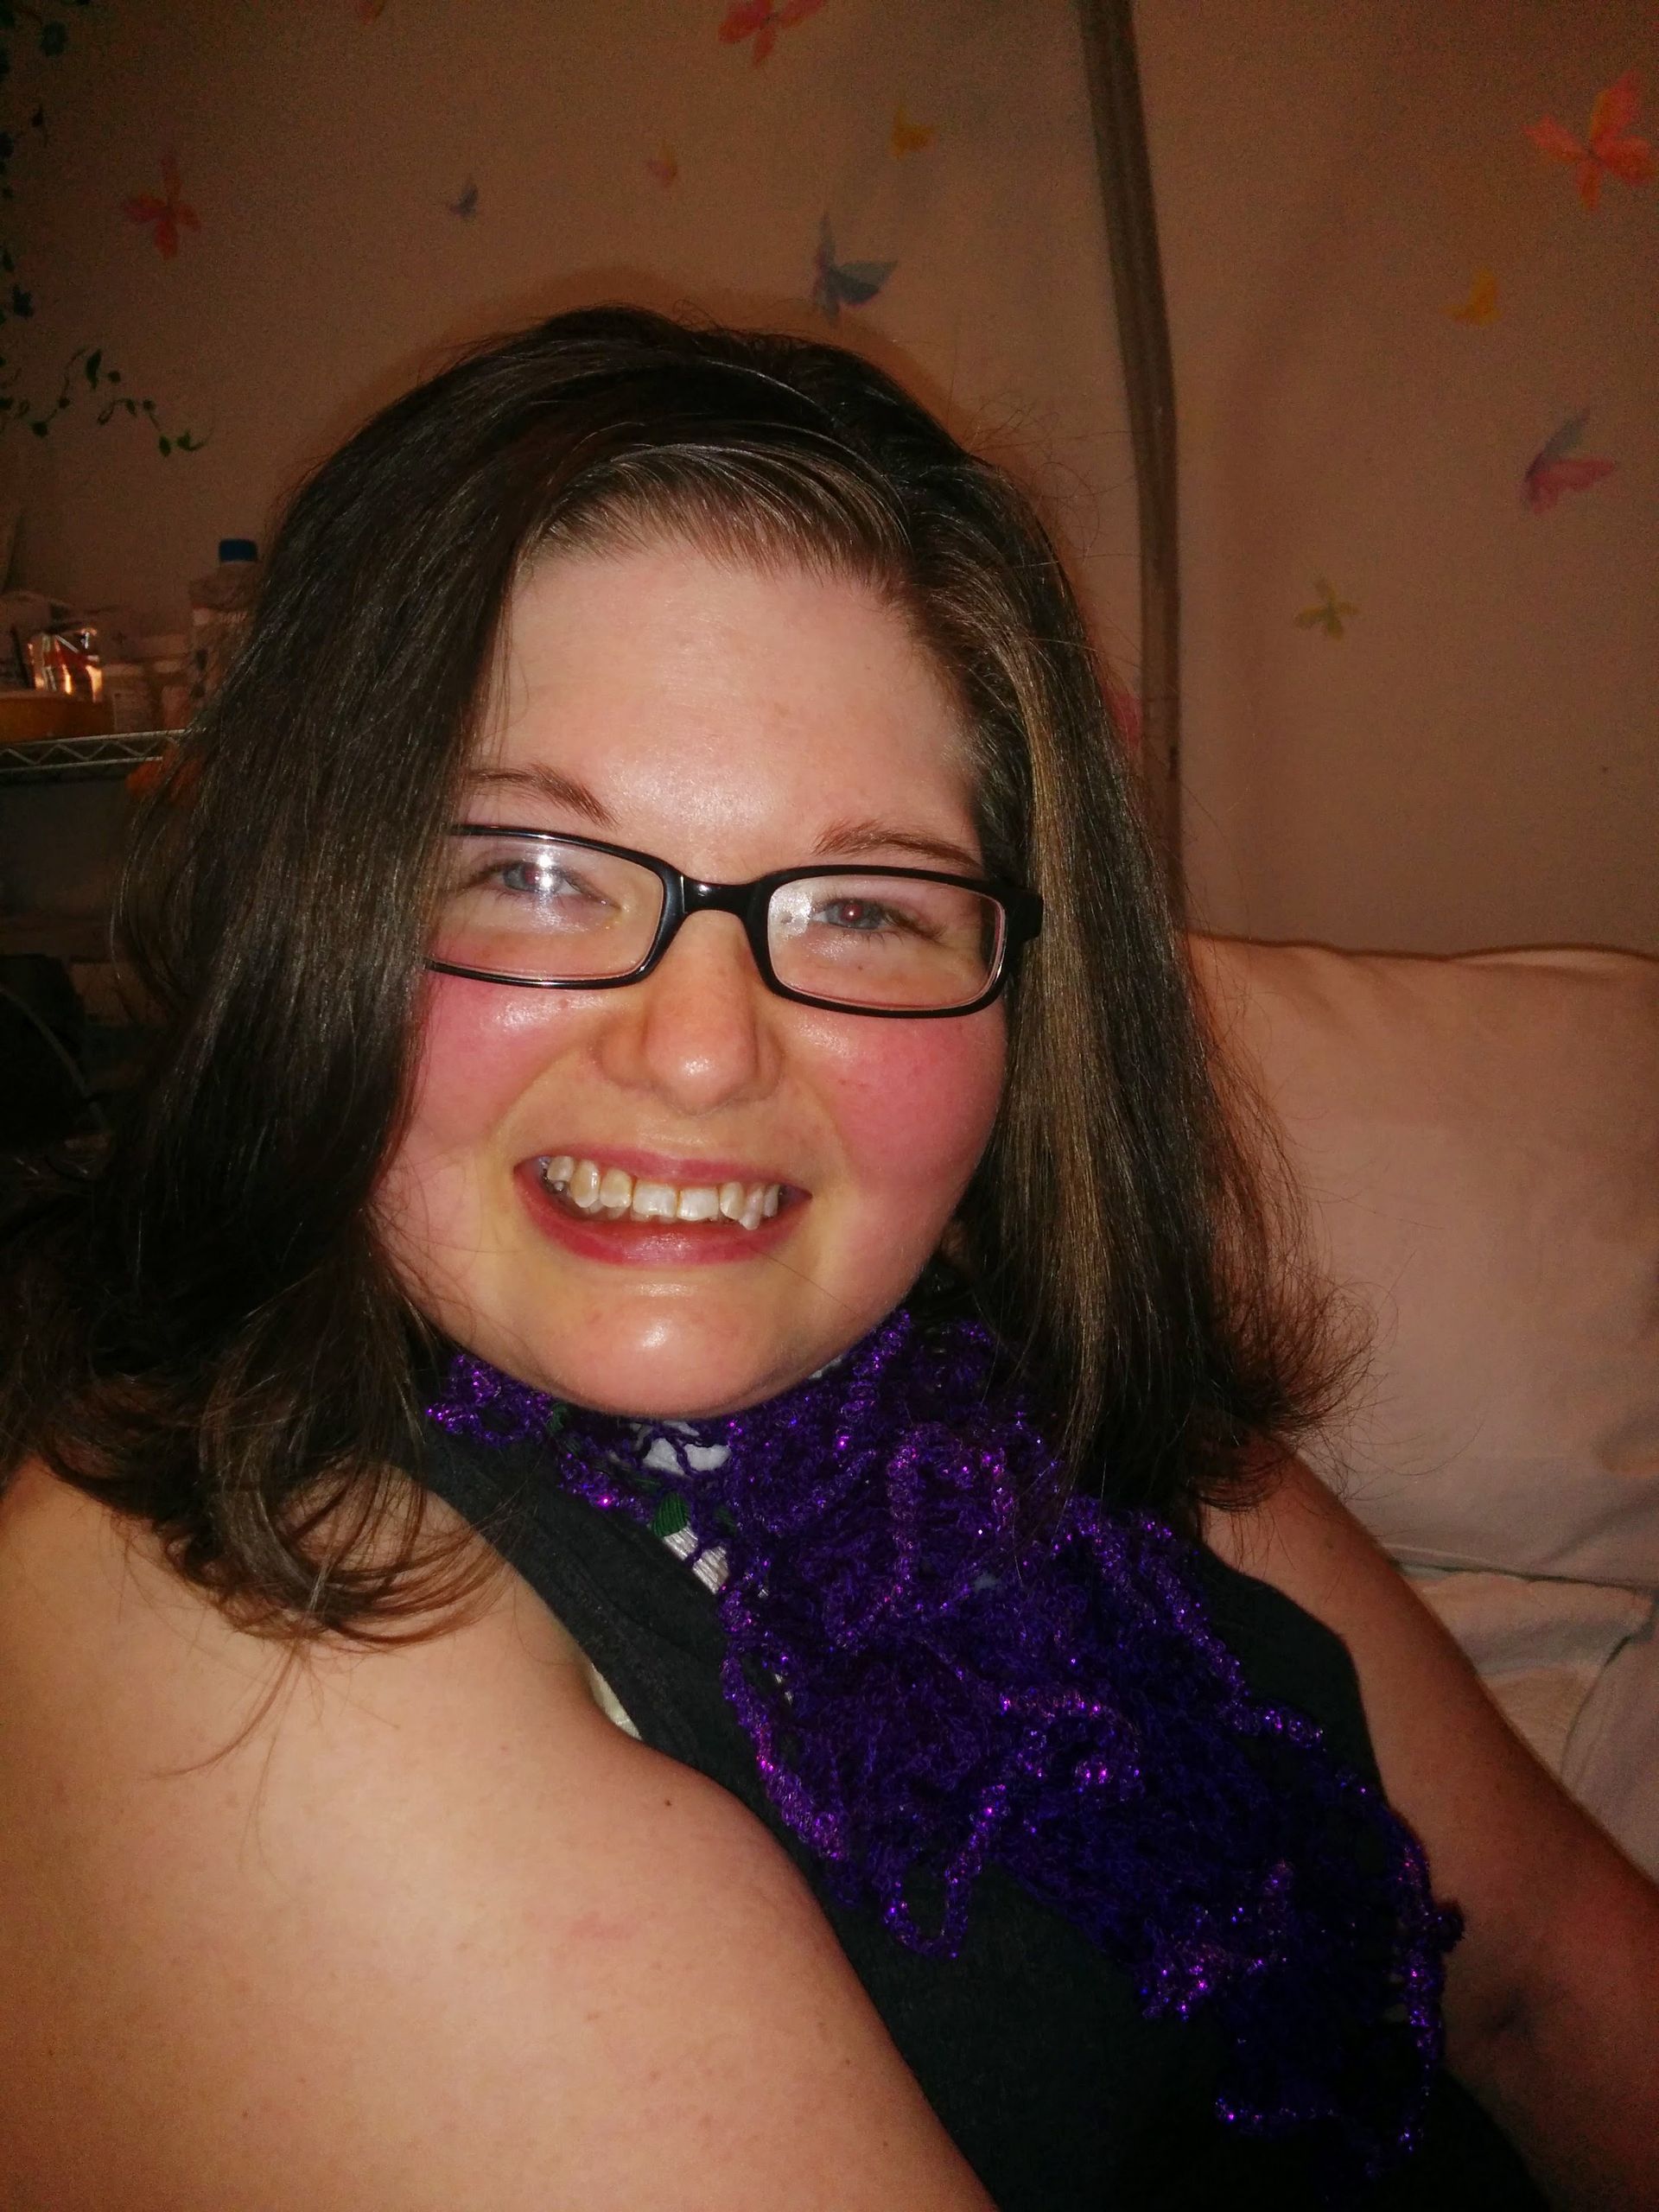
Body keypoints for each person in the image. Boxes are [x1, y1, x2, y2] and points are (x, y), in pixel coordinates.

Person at [0, 307, 1654, 2212]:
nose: (704, 1050)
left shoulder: (1028, 1393)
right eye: (532, 873)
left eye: (863, 906)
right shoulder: (216, 1615)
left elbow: (1541, 1977)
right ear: (317, 910)